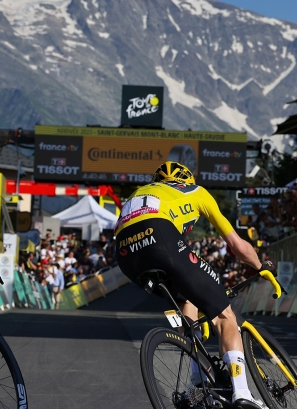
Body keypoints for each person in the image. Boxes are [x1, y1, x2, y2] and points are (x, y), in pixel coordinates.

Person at [114, 161, 272, 409]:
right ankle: (242, 392)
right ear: (187, 179)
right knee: (224, 316)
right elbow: (237, 246)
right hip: (160, 239)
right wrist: (260, 265)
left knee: (186, 302)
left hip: (126, 255)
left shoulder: (140, 193)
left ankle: (199, 379)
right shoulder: (196, 191)